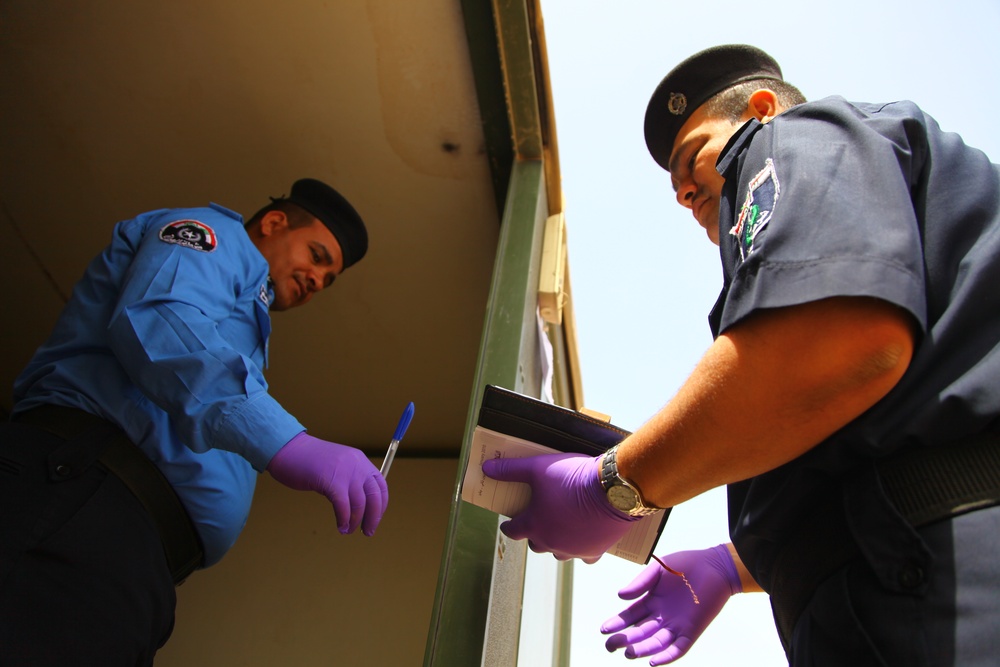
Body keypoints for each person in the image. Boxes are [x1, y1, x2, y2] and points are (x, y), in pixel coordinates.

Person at [482, 44, 1000, 665]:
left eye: (691, 157)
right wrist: (735, 565)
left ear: (760, 110)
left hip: (934, 583)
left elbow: (834, 345)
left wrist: (615, 486)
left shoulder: (795, 136)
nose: (683, 193)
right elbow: (870, 435)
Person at [0, 178, 390, 666]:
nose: (316, 279)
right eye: (316, 256)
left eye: (328, 279)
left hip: (133, 555)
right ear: (274, 223)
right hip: (83, 494)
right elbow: (160, 320)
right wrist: (286, 442)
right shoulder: (212, 235)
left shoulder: (247, 318)